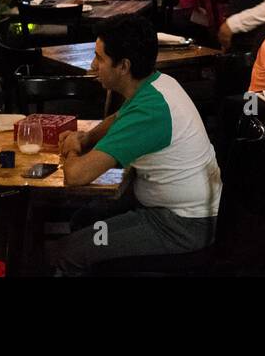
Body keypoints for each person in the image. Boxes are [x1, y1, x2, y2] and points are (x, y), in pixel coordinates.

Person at [53, 16, 220, 275]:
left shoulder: (149, 112)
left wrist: (74, 147)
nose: (92, 65)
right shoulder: (157, 83)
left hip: (182, 225)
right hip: (181, 210)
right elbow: (119, 117)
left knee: (65, 254)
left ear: (123, 66)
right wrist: (86, 138)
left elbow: (76, 175)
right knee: (84, 219)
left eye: (99, 58)